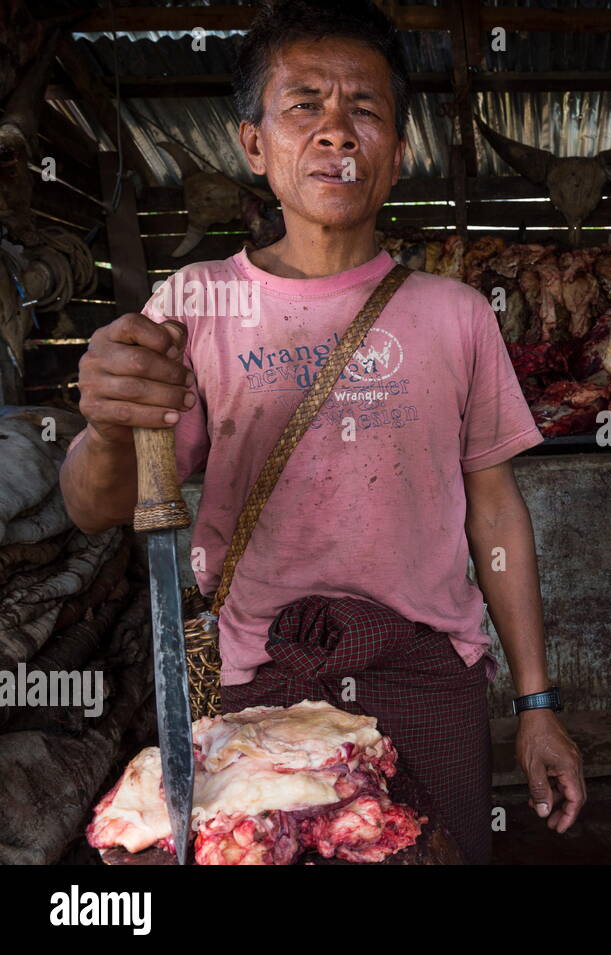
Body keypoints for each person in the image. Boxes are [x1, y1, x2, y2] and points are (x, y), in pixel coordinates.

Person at [58, 0, 583, 864]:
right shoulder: (193, 306)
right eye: (304, 105)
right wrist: (110, 430)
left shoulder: (455, 316)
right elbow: (92, 506)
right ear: (254, 144)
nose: (337, 131)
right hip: (255, 680)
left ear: (399, 150)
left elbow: (495, 512)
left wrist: (536, 703)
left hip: (426, 680)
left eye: (365, 110)